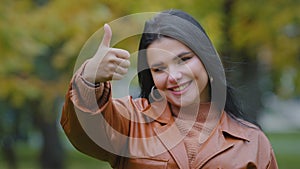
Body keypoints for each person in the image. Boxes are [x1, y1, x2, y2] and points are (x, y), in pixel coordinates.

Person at [60, 9, 278, 169]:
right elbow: (84, 133)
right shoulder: (130, 122)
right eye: (159, 68)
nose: (173, 76)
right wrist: (89, 78)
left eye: (183, 59)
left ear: (207, 60)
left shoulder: (252, 142)